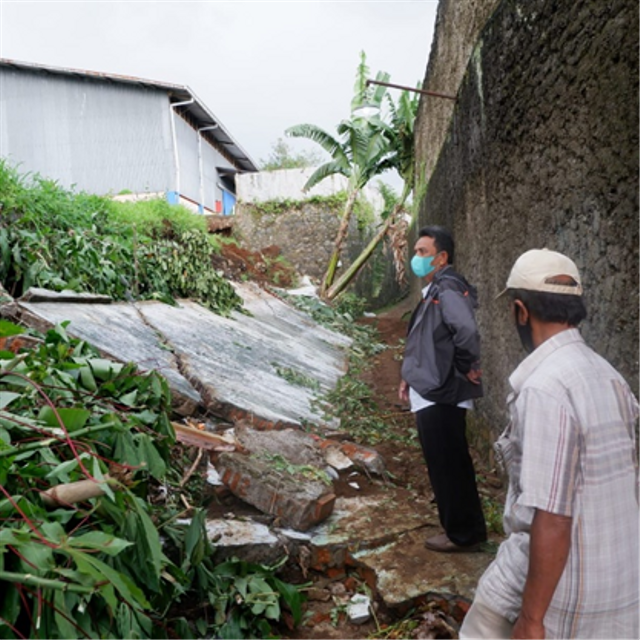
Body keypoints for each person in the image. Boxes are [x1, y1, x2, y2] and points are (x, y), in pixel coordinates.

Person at [460, 248, 640, 640]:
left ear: (521, 312)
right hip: (621, 580)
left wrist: (532, 619)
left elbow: (553, 517)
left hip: (566, 590)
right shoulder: (610, 376)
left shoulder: (545, 389)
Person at [399, 225, 487, 552]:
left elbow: (465, 330)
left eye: (423, 252)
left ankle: (460, 535)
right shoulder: (436, 290)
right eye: (416, 251)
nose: (416, 258)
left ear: (442, 257)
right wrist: (408, 375)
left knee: (448, 466)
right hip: (433, 390)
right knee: (450, 463)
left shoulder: (446, 288)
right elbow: (425, 341)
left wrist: (466, 366)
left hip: (441, 393)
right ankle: (467, 530)